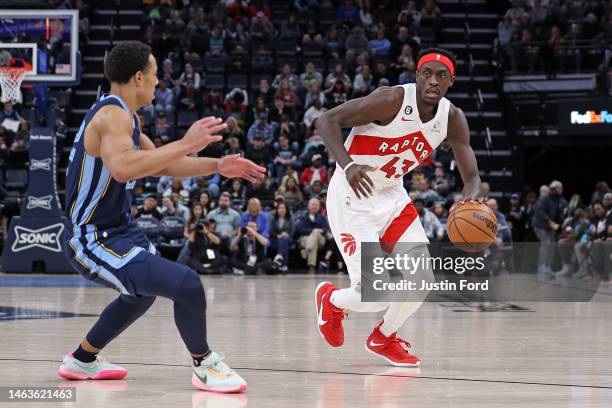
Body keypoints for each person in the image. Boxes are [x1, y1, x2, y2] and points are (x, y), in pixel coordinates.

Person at [59, 42, 265, 393]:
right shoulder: (112, 116)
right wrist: (186, 142)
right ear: (139, 77)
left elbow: (165, 164)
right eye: (155, 76)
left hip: (119, 230)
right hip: (91, 238)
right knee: (187, 285)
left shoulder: (125, 117)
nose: (158, 83)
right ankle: (204, 364)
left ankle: (82, 359)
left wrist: (218, 165)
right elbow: (123, 168)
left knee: (141, 294)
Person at [314, 48, 481, 367]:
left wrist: (469, 198)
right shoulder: (391, 100)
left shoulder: (452, 119)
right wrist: (348, 165)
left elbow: (471, 176)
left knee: (423, 280)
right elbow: (326, 120)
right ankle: (331, 300)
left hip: (392, 196)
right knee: (375, 294)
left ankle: (384, 336)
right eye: (427, 74)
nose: (433, 81)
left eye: (441, 76)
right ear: (417, 76)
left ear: (451, 82)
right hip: (353, 197)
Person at [296, 197, 329, 273]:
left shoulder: (322, 217)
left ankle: (307, 251)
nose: (314, 206)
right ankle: (311, 266)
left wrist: (319, 231)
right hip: (305, 238)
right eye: (313, 204)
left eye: (316, 205)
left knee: (315, 234)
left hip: (321, 239)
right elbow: (301, 230)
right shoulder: (303, 216)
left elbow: (325, 229)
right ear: (308, 205)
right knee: (314, 240)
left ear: (319, 206)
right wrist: (313, 231)